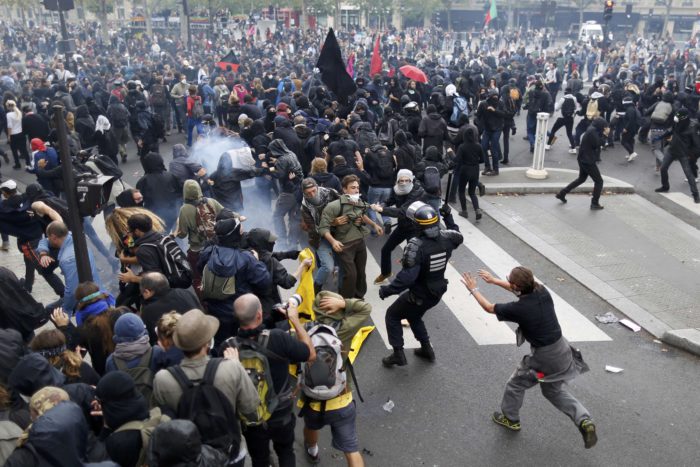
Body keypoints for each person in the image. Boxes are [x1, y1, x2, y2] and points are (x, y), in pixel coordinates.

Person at [461, 266, 597, 449]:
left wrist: (473, 289)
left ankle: (511, 419)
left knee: (516, 384)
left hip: (544, 361)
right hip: (563, 352)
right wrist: (494, 281)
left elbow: (488, 307)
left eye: (510, 282)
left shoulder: (519, 309)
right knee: (552, 390)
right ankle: (584, 420)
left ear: (516, 285)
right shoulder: (542, 291)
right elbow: (517, 288)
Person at [152, 308, 261, 467]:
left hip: (190, 458)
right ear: (207, 342)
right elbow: (251, 407)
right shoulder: (230, 368)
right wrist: (237, 367)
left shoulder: (162, 379)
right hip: (231, 452)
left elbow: (162, 420)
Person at [228, 294, 315, 467]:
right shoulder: (278, 338)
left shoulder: (228, 348)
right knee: (285, 452)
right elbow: (310, 354)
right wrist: (295, 320)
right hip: (280, 414)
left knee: (259, 459)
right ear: (259, 315)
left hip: (251, 419)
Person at [378, 201, 463, 366]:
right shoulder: (448, 238)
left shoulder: (417, 246)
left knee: (392, 315)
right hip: (437, 290)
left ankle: (398, 354)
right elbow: (458, 236)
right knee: (413, 315)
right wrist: (449, 216)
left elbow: (407, 278)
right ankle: (426, 349)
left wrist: (387, 290)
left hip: (420, 293)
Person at [319, 175, 383, 299]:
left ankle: (359, 298)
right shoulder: (334, 206)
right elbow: (323, 227)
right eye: (353, 188)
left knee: (361, 273)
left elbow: (362, 214)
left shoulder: (359, 202)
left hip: (359, 243)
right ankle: (346, 302)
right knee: (351, 275)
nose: (356, 190)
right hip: (345, 245)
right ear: (344, 189)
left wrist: (374, 225)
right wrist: (333, 242)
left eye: (357, 187)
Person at [371, 169, 425, 284]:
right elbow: (390, 200)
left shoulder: (417, 191)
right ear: (397, 181)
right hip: (403, 225)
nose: (404, 183)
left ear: (411, 180)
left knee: (412, 257)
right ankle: (386, 272)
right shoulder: (396, 189)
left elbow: (403, 211)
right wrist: (383, 204)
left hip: (415, 228)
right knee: (386, 249)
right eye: (401, 181)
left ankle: (414, 281)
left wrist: (382, 210)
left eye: (407, 180)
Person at [36, 221, 101, 316]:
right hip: (92, 287)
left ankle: (69, 329)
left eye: (49, 237)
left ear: (54, 237)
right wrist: (43, 253)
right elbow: (44, 241)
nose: (48, 239)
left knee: (51, 310)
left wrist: (66, 310)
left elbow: (72, 292)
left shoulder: (67, 260)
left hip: (87, 296)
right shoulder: (71, 235)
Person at [556, 117, 608, 210]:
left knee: (581, 179)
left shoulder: (592, 129)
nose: (605, 128)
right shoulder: (593, 132)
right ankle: (594, 203)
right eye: (604, 127)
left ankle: (562, 193)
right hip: (588, 161)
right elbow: (598, 143)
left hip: (583, 158)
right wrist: (605, 135)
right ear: (600, 126)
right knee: (599, 181)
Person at [140, 272, 201, 344]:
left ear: (147, 292)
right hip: (203, 340)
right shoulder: (185, 293)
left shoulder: (148, 312)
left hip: (176, 351)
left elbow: (151, 340)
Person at [655, 109, 700, 203]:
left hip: (684, 154)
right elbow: (671, 130)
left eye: (679, 117)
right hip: (672, 150)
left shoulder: (692, 128)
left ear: (684, 118)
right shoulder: (677, 123)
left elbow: (697, 145)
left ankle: (695, 194)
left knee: (689, 174)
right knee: (663, 168)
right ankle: (665, 186)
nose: (676, 119)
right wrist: (660, 136)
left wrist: (691, 156)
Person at [454, 125, 485, 219]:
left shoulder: (462, 147)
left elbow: (457, 160)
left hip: (465, 170)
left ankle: (464, 211)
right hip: (475, 170)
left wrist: (451, 154)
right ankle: (477, 210)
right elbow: (482, 160)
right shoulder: (478, 146)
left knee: (461, 191)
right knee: (472, 192)